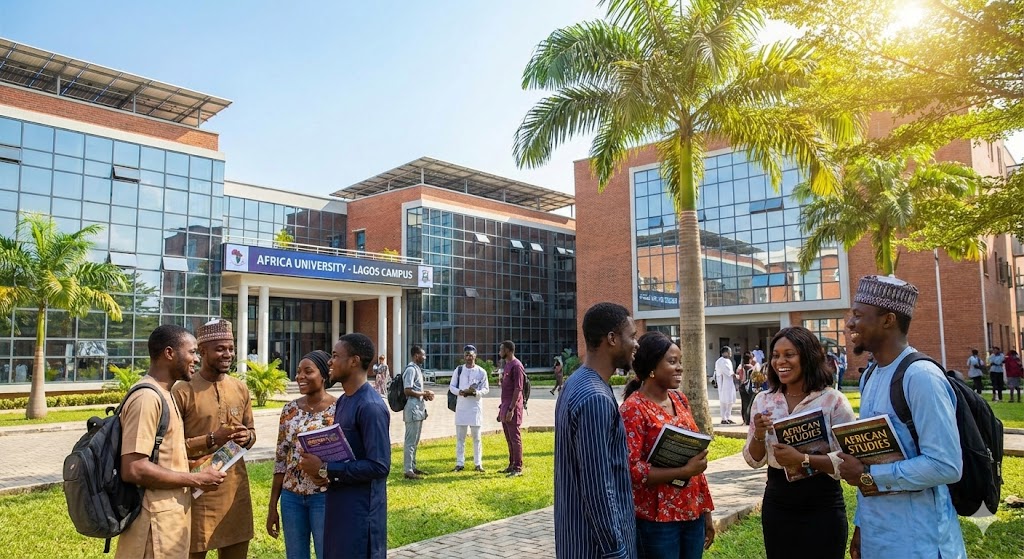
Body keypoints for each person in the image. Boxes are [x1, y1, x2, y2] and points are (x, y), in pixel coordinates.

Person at [837, 275, 965, 558]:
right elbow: (872, 456)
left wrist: (869, 475)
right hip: (877, 539)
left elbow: (946, 465)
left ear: (888, 320)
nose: (850, 324)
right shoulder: (870, 374)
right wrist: (861, 526)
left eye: (858, 315)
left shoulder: (920, 377)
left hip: (921, 543)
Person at [742, 327, 855, 559]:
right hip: (778, 502)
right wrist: (759, 434)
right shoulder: (763, 400)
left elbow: (849, 461)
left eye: (789, 354)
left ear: (808, 356)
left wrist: (802, 459)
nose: (780, 361)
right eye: (775, 355)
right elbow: (754, 460)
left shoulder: (833, 400)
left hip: (823, 503)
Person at [116, 325, 226, 559]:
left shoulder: (166, 393)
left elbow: (161, 455)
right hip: (153, 526)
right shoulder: (147, 397)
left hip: (169, 522)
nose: (197, 359)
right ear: (169, 353)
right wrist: (195, 479)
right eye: (192, 352)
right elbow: (134, 468)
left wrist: (191, 463)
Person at [554, 302, 638, 559]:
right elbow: (598, 487)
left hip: (575, 540)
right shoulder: (595, 397)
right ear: (612, 339)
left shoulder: (575, 383)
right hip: (597, 549)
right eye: (632, 336)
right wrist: (616, 551)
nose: (636, 344)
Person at [620, 332, 714, 559]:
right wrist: (683, 471)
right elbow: (631, 469)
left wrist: (706, 511)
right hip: (657, 520)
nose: (680, 367)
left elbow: (695, 460)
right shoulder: (633, 409)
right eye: (672, 362)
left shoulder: (680, 401)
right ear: (652, 367)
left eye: (680, 361)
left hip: (692, 513)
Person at [299, 334, 391, 559]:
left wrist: (326, 468)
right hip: (338, 505)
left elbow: (379, 466)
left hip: (361, 515)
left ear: (354, 361)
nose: (329, 362)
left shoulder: (370, 407)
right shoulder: (343, 401)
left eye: (335, 356)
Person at [171, 319, 255, 559]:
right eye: (220, 349)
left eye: (230, 348)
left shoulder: (240, 388)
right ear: (203, 351)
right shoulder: (183, 391)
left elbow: (252, 433)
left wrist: (246, 436)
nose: (227, 354)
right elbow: (171, 448)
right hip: (198, 490)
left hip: (235, 490)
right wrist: (211, 439)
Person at [268, 350, 337, 559]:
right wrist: (272, 506)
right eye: (298, 372)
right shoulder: (289, 409)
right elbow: (281, 460)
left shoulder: (339, 409)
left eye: (308, 371)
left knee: (327, 553)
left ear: (323, 375)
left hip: (323, 497)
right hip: (291, 498)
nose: (300, 377)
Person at [448, 344, 490, 472]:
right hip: (461, 408)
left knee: (476, 438)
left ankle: (478, 464)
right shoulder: (459, 370)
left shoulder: (481, 371)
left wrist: (476, 393)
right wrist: (460, 392)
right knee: (460, 438)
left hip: (474, 408)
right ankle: (460, 463)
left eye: (471, 355)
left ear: (475, 356)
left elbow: (486, 389)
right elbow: (452, 387)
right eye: (466, 355)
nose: (469, 358)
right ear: (463, 356)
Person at [401, 345, 433, 480]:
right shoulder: (410, 370)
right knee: (410, 441)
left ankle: (413, 467)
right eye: (422, 355)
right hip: (412, 409)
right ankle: (408, 470)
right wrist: (424, 393)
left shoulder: (417, 369)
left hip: (418, 408)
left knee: (415, 441)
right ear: (416, 355)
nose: (424, 357)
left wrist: (423, 395)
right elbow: (407, 390)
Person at [498, 340, 526, 477]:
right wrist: (501, 409)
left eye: (501, 349)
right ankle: (511, 464)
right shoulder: (507, 365)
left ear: (508, 350)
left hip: (512, 408)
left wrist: (511, 409)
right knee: (508, 437)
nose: (499, 352)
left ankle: (518, 467)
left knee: (515, 437)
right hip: (505, 405)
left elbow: (518, 388)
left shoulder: (517, 366)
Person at [714, 347, 736, 425]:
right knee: (724, 401)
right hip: (724, 384)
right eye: (729, 352)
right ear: (725, 352)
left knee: (730, 401)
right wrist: (735, 375)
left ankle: (728, 417)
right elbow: (728, 372)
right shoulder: (721, 361)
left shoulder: (728, 361)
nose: (730, 353)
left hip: (730, 383)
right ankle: (723, 418)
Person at [736, 352, 759, 426]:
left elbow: (738, 376)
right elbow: (754, 378)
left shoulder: (741, 367)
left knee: (744, 404)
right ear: (750, 359)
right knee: (750, 404)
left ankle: (744, 419)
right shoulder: (751, 368)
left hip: (742, 387)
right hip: (749, 387)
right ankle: (748, 420)